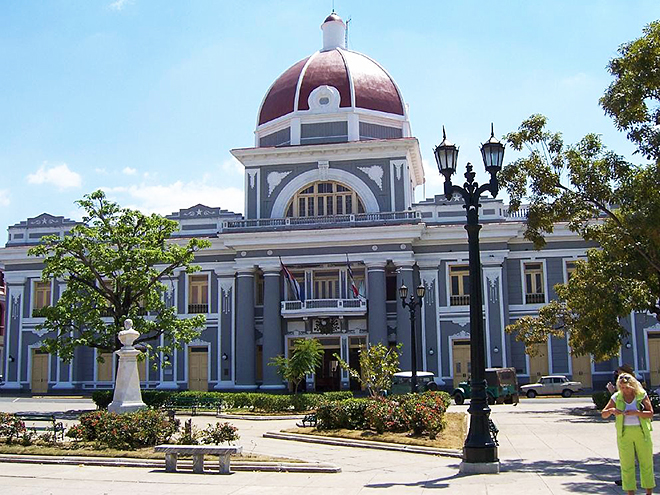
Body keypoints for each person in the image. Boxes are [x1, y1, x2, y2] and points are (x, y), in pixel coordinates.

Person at [602, 373, 655, 495]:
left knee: (646, 463)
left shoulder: (641, 395)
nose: (625, 390)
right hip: (624, 433)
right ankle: (630, 492)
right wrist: (611, 411)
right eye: (622, 387)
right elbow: (604, 414)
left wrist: (637, 412)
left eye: (627, 387)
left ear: (633, 386)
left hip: (642, 433)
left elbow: (650, 413)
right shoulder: (617, 397)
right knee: (627, 464)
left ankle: (648, 492)